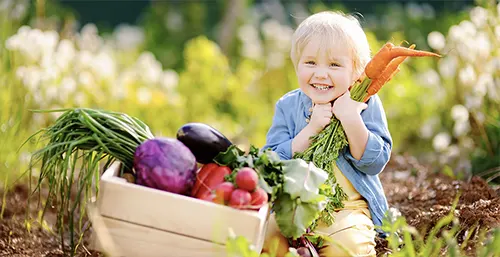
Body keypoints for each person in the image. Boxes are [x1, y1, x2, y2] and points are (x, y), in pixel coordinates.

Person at [262, 11, 392, 257]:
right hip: (293, 207)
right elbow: (269, 163)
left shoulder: (365, 103)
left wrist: (351, 118)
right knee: (266, 239)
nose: (320, 73)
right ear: (297, 65)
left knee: (348, 247)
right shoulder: (288, 106)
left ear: (356, 71)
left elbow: (375, 162)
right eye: (310, 63)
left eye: (334, 64)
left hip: (345, 209)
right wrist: (310, 131)